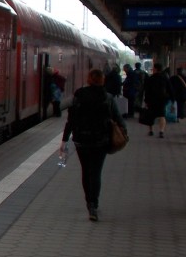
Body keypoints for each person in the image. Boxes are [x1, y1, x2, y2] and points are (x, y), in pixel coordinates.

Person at [62, 68, 127, 222]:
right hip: (100, 141)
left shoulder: (79, 95)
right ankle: (94, 204)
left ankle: (88, 201)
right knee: (96, 172)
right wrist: (124, 132)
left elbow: (71, 120)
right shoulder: (108, 97)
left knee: (86, 171)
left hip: (81, 140)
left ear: (89, 79)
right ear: (102, 80)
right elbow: (118, 119)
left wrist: (64, 140)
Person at [143, 62, 172, 138]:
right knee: (162, 115)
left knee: (150, 116)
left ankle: (150, 131)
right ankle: (161, 131)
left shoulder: (151, 78)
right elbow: (170, 89)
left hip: (152, 100)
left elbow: (147, 90)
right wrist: (171, 98)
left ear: (155, 69)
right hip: (162, 100)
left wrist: (146, 101)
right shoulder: (165, 78)